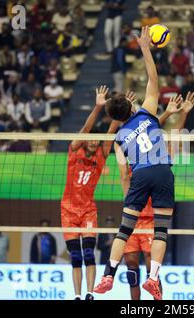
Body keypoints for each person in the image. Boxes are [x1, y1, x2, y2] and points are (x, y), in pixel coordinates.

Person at [94, 26, 174, 300]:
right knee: (161, 231)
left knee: (124, 229)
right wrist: (145, 48)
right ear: (131, 107)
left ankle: (107, 275)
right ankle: (153, 278)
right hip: (163, 172)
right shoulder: (147, 114)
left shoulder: (120, 135)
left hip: (140, 175)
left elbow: (122, 129)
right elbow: (154, 80)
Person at [119, 92, 194, 300]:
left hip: (152, 220)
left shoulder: (161, 157)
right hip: (134, 218)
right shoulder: (135, 156)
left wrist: (182, 115)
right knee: (131, 268)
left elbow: (174, 136)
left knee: (152, 268)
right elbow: (133, 133)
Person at [60, 85, 121, 301]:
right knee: (75, 257)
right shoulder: (75, 149)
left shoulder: (102, 154)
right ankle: (77, 295)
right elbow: (86, 129)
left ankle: (89, 293)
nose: (95, 141)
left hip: (88, 211)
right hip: (68, 210)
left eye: (97, 139)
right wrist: (98, 107)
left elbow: (112, 130)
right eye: (92, 139)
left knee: (88, 254)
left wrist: (120, 112)